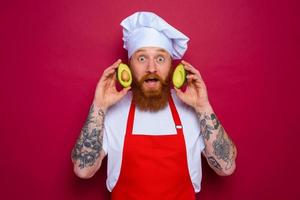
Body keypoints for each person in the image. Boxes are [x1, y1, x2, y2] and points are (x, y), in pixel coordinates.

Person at [71, 11, 237, 200]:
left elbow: (226, 167)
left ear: (173, 67)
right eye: (142, 58)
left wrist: (203, 107)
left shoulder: (193, 109)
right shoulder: (111, 110)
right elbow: (83, 171)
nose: (151, 68)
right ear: (128, 66)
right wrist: (98, 107)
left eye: (160, 58)